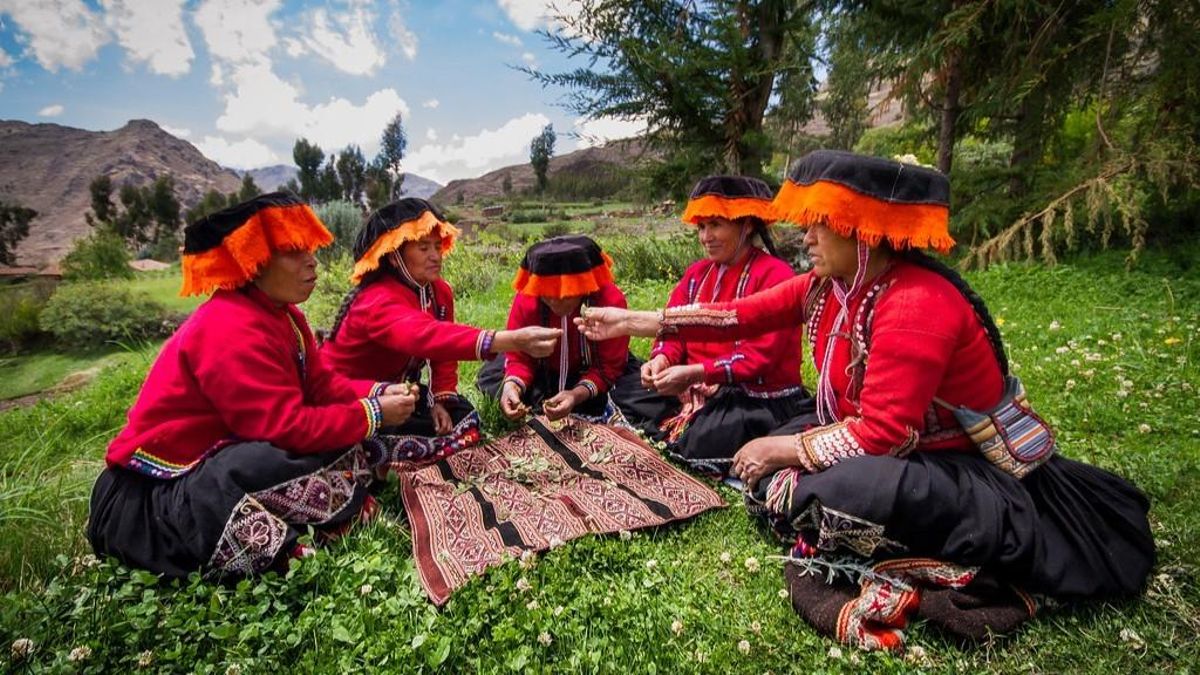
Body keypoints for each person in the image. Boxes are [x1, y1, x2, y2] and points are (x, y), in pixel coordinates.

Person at [577, 150, 1154, 649]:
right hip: (891, 444)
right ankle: (815, 504)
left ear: (864, 229)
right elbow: (741, 315)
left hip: (956, 466)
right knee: (786, 456)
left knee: (827, 483)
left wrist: (783, 452)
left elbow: (883, 433)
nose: (805, 236)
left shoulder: (916, 301)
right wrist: (636, 319)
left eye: (820, 223)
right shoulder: (834, 284)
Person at [88, 192, 419, 578]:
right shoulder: (227, 326)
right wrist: (372, 415)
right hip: (152, 497)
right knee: (261, 460)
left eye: (309, 249)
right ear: (253, 262)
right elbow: (287, 429)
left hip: (226, 452)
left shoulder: (287, 317)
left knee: (327, 439)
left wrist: (373, 395)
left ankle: (328, 510)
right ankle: (293, 533)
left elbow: (322, 387)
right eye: (294, 252)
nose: (312, 261)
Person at [320, 198, 559, 469]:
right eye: (423, 248)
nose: (435, 255)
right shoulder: (376, 300)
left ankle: (396, 453)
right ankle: (372, 457)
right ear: (394, 256)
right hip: (347, 393)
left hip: (400, 392)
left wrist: (440, 400)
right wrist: (511, 339)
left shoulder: (438, 291)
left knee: (463, 417)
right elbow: (427, 336)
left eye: (437, 246)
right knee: (361, 438)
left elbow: (442, 355)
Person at [641, 175, 809, 476]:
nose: (706, 237)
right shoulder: (696, 274)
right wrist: (662, 359)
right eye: (702, 227)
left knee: (703, 440)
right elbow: (673, 328)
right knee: (631, 389)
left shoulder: (776, 276)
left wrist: (700, 373)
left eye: (716, 225)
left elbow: (760, 356)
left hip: (751, 393)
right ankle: (691, 411)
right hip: (692, 384)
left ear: (746, 226)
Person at [475, 234, 649, 424]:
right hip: (542, 371)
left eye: (564, 294)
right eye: (546, 294)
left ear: (583, 286)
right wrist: (512, 387)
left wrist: (575, 395)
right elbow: (519, 357)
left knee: (637, 394)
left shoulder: (609, 302)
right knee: (495, 380)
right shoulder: (527, 300)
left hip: (592, 372)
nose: (554, 301)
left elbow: (608, 367)